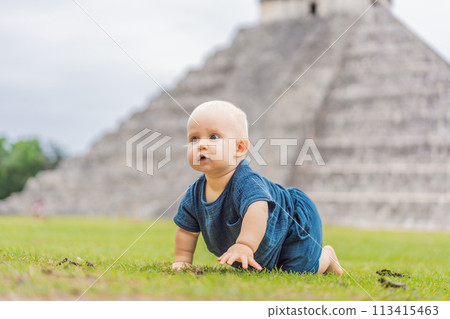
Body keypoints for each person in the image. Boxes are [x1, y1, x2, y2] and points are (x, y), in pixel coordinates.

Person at [172, 101, 343, 275]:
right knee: (268, 270)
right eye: (194, 138)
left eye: (213, 137)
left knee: (297, 271)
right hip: (268, 240)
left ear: (239, 148)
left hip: (293, 220)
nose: (201, 144)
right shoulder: (194, 194)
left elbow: (257, 209)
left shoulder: (245, 181)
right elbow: (187, 230)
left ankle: (326, 258)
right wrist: (183, 260)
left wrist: (244, 245)